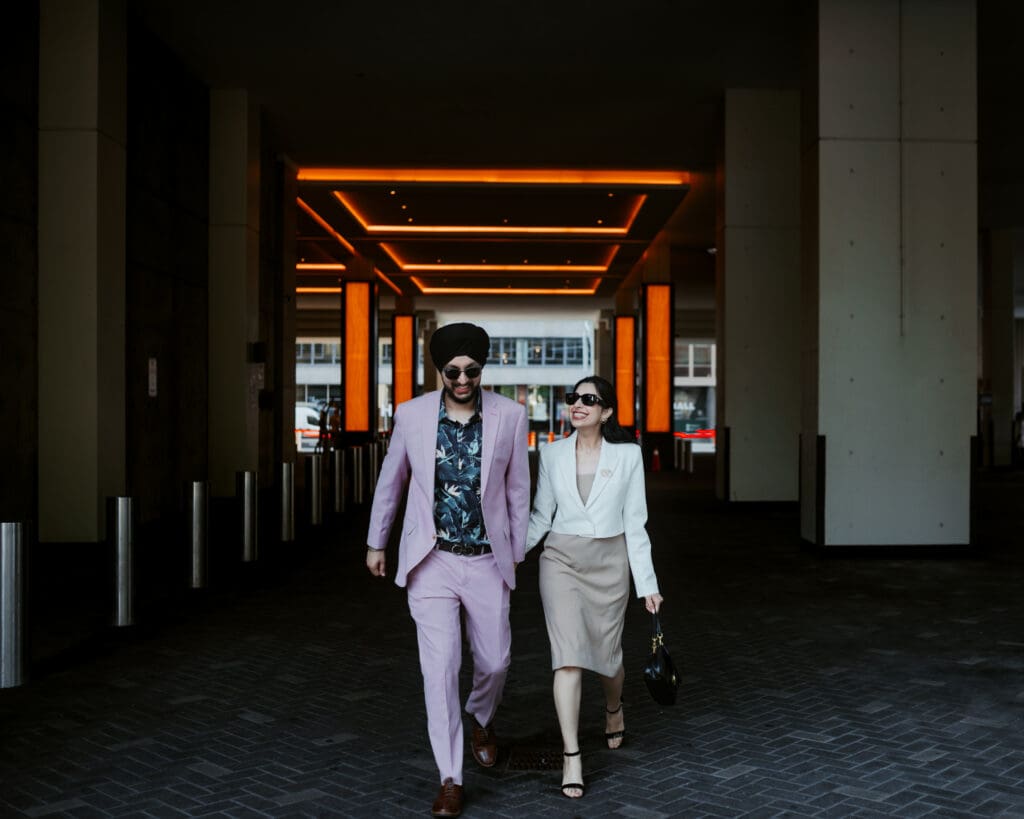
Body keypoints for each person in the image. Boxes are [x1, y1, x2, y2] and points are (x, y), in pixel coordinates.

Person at [365, 322, 530, 818]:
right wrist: (377, 541)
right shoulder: (412, 415)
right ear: (440, 370)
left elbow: (518, 488)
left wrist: (516, 546)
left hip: (485, 560)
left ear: (483, 370)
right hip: (431, 561)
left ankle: (481, 716)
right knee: (439, 672)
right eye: (453, 371)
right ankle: (451, 777)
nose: (463, 380)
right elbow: (391, 481)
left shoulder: (511, 415)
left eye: (472, 371)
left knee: (495, 661)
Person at [525, 375, 663, 799]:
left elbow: (635, 522)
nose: (578, 405)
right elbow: (541, 516)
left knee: (607, 659)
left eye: (590, 399)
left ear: (606, 412)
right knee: (567, 658)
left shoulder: (628, 457)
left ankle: (613, 708)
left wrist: (648, 584)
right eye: (573, 398)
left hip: (610, 563)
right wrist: (509, 555)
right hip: (561, 560)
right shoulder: (551, 453)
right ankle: (572, 755)